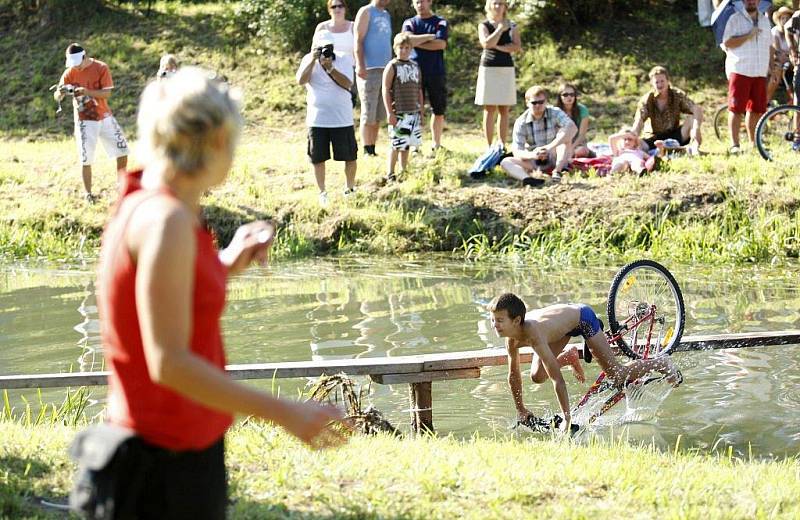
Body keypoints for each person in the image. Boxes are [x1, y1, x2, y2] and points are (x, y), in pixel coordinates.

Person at [91, 68, 346, 517]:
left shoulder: (149, 198)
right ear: (214, 141)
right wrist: (287, 412)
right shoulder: (166, 222)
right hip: (160, 468)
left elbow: (164, 296)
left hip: (175, 450)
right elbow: (168, 362)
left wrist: (227, 262)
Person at [489, 293, 681, 430]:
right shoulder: (511, 340)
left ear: (516, 320)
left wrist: (567, 419)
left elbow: (558, 380)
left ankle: (662, 363)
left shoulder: (534, 335)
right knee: (537, 376)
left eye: (499, 320)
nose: (494, 325)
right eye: (492, 320)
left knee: (617, 375)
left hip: (582, 318)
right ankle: (570, 355)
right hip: (560, 326)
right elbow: (513, 375)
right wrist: (520, 409)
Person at [55, 43, 129, 203]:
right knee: (86, 158)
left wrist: (87, 92)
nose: (76, 68)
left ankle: (121, 186)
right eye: (72, 65)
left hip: (104, 116)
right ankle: (88, 194)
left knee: (122, 149)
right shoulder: (70, 72)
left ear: (84, 56)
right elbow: (57, 93)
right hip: (84, 120)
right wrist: (59, 94)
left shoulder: (101, 68)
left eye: (78, 63)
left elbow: (107, 93)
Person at [297, 32, 358, 206]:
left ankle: (350, 188)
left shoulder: (345, 59)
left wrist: (330, 67)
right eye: (321, 48)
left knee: (350, 156)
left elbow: (348, 83)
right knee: (318, 158)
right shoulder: (308, 60)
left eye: (328, 48)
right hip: (317, 119)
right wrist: (312, 60)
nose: (325, 51)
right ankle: (322, 192)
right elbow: (301, 81)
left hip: (342, 118)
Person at [721, 0, 772, 154]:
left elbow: (769, 44)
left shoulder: (764, 20)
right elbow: (727, 42)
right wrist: (748, 35)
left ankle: (753, 143)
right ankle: (735, 145)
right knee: (736, 109)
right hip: (740, 69)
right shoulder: (734, 18)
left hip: (760, 70)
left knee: (756, 109)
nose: (751, 1)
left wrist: (771, 66)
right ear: (743, 1)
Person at [499, 86, 576, 186]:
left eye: (541, 102)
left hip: (554, 155)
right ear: (527, 103)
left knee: (566, 137)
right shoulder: (521, 122)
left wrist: (549, 147)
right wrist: (534, 155)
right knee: (505, 162)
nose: (538, 105)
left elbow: (572, 127)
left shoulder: (555, 112)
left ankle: (557, 172)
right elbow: (517, 151)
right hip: (534, 159)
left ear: (546, 102)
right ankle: (528, 179)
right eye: (534, 103)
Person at [402, 0, 449, 152]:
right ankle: (414, 144)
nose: (420, 4)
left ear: (430, 2)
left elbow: (441, 44)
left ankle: (436, 143)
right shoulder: (410, 22)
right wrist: (429, 37)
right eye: (417, 2)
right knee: (414, 109)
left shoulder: (440, 22)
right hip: (414, 71)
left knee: (438, 108)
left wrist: (416, 41)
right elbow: (407, 40)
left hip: (436, 72)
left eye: (423, 1)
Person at [475, 0, 521, 148]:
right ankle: (489, 146)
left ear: (505, 6)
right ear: (489, 5)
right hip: (488, 68)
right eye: (495, 3)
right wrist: (500, 30)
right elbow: (486, 44)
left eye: (501, 3)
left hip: (506, 68)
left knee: (504, 109)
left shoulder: (513, 25)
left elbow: (516, 46)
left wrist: (497, 46)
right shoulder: (484, 25)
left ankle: (502, 144)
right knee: (489, 109)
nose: (498, 6)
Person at [382, 32, 427, 182]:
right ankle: (390, 172)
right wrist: (390, 112)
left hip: (413, 111)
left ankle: (404, 170)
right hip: (399, 111)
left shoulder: (415, 66)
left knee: (407, 144)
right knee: (396, 143)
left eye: (407, 48)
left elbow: (419, 89)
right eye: (401, 48)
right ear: (395, 48)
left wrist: (421, 110)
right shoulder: (392, 66)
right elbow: (386, 89)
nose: (404, 51)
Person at [631, 66, 703, 156]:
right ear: (652, 83)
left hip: (675, 135)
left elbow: (696, 109)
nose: (660, 84)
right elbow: (639, 120)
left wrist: (696, 129)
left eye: (662, 81)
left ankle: (693, 146)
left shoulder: (677, 95)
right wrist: (634, 134)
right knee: (638, 144)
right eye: (657, 82)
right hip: (654, 138)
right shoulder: (647, 99)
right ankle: (665, 150)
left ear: (668, 81)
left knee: (692, 118)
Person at [354, 0, 392, 157]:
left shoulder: (386, 14)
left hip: (385, 69)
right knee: (368, 110)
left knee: (378, 113)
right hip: (369, 69)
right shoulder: (366, 11)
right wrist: (360, 64)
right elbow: (358, 39)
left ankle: (372, 148)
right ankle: (366, 148)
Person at [555, 83, 593, 158]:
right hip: (561, 142)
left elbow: (582, 135)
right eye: (565, 95)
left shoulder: (582, 110)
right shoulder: (555, 111)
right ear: (560, 97)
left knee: (581, 151)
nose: (569, 97)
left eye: (572, 94)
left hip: (577, 143)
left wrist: (571, 148)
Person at [768, 7, 793, 103]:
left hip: (788, 61)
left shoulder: (792, 32)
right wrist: (788, 56)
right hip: (776, 61)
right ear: (779, 20)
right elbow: (777, 52)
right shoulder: (775, 32)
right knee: (777, 72)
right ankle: (767, 100)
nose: (785, 21)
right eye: (783, 18)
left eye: (787, 18)